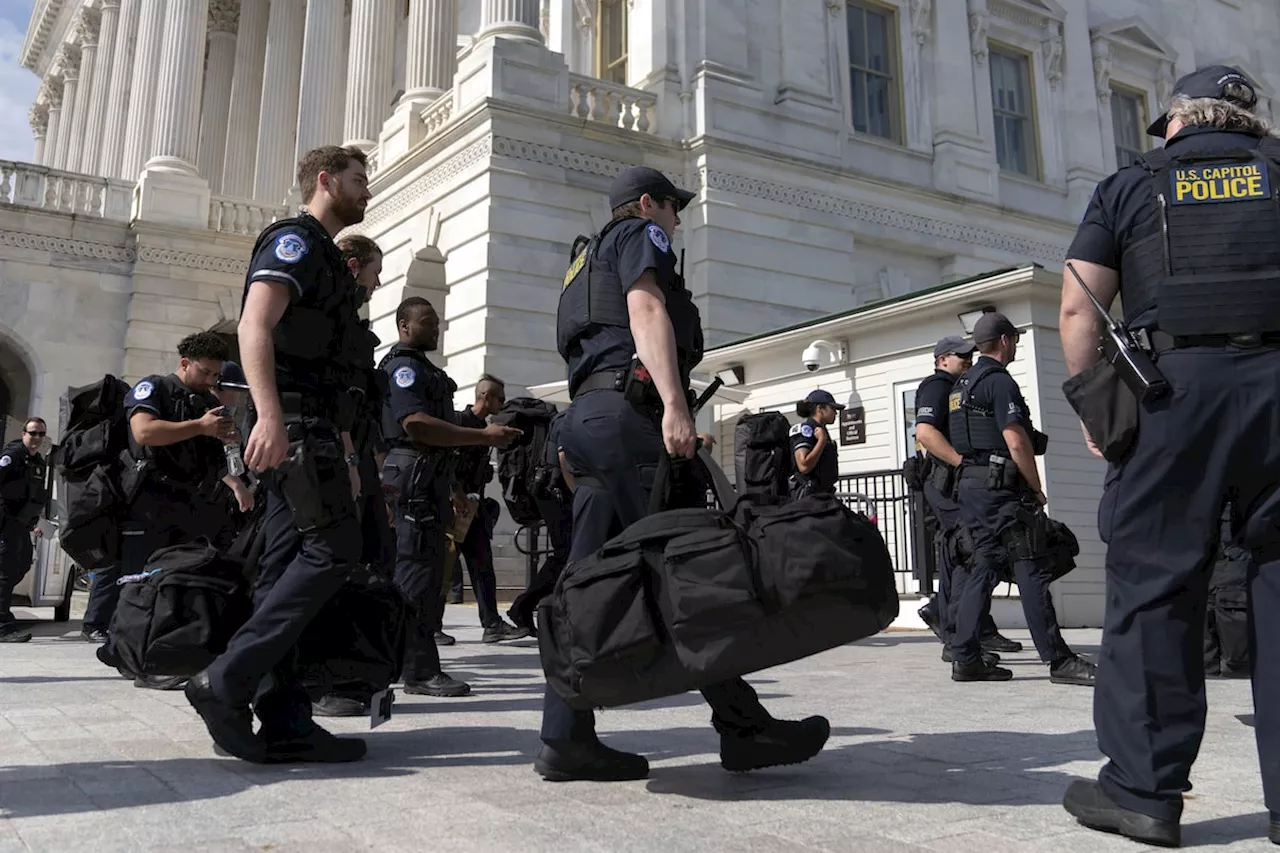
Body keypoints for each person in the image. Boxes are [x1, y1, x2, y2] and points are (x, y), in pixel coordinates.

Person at [541, 164, 830, 782]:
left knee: (585, 583)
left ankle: (565, 736)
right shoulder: (640, 235)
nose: (678, 219)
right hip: (627, 418)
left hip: (590, 420)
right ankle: (745, 728)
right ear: (648, 204)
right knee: (685, 574)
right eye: (674, 207)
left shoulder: (580, 264)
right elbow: (647, 312)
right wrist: (673, 403)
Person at [1058, 65, 1280, 847]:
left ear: (1178, 122)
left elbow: (1079, 303)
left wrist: (1098, 408)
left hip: (1172, 393)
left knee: (1155, 582)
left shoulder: (1133, 183)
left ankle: (1145, 792)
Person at [185, 145, 374, 764]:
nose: (366, 191)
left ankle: (286, 716)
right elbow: (253, 326)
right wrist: (269, 416)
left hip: (313, 427)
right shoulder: (294, 242)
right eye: (356, 180)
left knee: (283, 569)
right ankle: (228, 679)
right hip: (294, 426)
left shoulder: (327, 257)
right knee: (334, 551)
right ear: (325, 181)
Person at [379, 297, 521, 698]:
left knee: (425, 579)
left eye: (437, 321)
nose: (435, 327)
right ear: (403, 325)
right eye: (427, 321)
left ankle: (409, 666)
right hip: (415, 478)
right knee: (414, 578)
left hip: (430, 479)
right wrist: (482, 436)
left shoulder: (422, 368)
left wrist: (456, 489)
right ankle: (415, 670)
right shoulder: (405, 368)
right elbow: (417, 425)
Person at [947, 312, 1096, 688]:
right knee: (1030, 566)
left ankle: (965, 658)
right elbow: (1016, 440)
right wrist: (1035, 486)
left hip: (973, 484)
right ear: (1003, 341)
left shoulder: (960, 385)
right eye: (1013, 339)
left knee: (983, 567)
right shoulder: (998, 382)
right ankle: (1058, 660)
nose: (1015, 345)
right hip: (1001, 489)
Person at [83, 334, 251, 645]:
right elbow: (144, 431)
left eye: (216, 375)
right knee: (140, 582)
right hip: (149, 501)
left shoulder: (210, 403)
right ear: (185, 363)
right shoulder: (155, 387)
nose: (211, 379)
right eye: (205, 372)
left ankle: (162, 651)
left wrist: (228, 443)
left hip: (192, 503)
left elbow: (217, 454)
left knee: (179, 582)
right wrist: (200, 427)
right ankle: (125, 648)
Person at [308, 233, 400, 718]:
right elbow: (334, 398)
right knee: (333, 566)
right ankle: (323, 680)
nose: (378, 281)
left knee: (373, 562)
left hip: (357, 459)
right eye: (374, 271)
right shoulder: (325, 320)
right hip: (332, 460)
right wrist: (348, 461)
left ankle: (355, 672)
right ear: (352, 266)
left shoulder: (351, 323)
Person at [912, 337, 1022, 659]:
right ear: (942, 359)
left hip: (952, 484)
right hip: (945, 482)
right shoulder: (938, 384)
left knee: (962, 553)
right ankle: (960, 634)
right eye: (961, 356)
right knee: (971, 550)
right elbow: (925, 433)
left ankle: (962, 626)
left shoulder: (961, 384)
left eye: (970, 354)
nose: (968, 360)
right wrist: (963, 464)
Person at [450, 374, 528, 642]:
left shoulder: (487, 429)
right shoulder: (460, 424)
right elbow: (446, 463)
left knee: (483, 565)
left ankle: (492, 624)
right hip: (453, 508)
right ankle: (430, 628)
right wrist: (454, 493)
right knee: (441, 569)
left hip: (475, 508)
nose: (503, 405)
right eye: (500, 399)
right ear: (485, 397)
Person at [0, 418, 49, 644]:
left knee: (22, 565)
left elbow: (37, 494)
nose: (37, 438)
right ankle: (3, 624)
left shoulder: (38, 462)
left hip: (22, 524)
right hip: (6, 522)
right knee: (6, 571)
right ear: (23, 433)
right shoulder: (13, 456)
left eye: (41, 434)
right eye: (33, 433)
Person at [789, 390, 842, 498]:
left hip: (824, 495)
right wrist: (821, 441)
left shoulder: (822, 431)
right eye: (832, 408)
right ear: (820, 409)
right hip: (808, 499)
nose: (836, 413)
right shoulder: (805, 430)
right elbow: (804, 466)